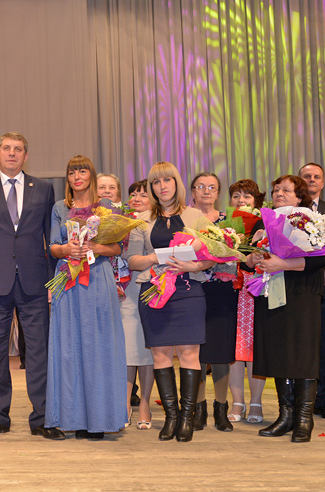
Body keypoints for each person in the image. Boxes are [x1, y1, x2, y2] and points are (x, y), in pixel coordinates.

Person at [0, 131, 62, 439]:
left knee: (39, 352)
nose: (12, 153)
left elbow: (51, 239)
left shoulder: (43, 189)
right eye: (6, 148)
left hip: (35, 282)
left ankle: (43, 417)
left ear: (25, 156)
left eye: (18, 149)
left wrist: (53, 280)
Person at [124, 162, 214, 442]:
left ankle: (186, 418)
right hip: (153, 292)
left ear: (177, 182)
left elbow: (214, 254)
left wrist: (194, 266)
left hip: (188, 291)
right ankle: (171, 417)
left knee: (189, 354)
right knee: (160, 355)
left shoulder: (195, 216)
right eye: (156, 182)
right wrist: (156, 257)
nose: (162, 186)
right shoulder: (141, 220)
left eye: (167, 180)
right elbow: (132, 260)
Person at [46, 155, 128, 439]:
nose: (77, 176)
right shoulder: (60, 207)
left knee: (99, 347)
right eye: (72, 172)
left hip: (97, 280)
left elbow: (117, 248)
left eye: (82, 171)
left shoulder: (106, 206)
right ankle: (74, 418)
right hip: (67, 280)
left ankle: (100, 418)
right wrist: (66, 250)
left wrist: (96, 247)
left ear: (91, 175)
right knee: (69, 347)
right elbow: (52, 246)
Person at [247, 175, 325, 442]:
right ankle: (286, 416)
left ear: (300, 196)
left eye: (286, 190)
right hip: (273, 292)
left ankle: (304, 419)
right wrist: (255, 254)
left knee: (303, 353)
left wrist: (283, 264)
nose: (279, 193)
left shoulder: (309, 219)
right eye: (275, 190)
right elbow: (247, 258)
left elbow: (322, 258)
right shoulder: (264, 220)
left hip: (302, 292)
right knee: (279, 352)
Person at [189, 172, 236, 433]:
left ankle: (221, 409)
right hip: (193, 289)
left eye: (212, 187)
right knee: (194, 352)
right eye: (200, 186)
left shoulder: (230, 221)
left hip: (222, 291)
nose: (206, 191)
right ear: (192, 192)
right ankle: (198, 409)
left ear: (218, 193)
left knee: (220, 352)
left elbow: (239, 254)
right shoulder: (185, 220)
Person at [299, 163, 325, 420]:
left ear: (323, 183)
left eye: (316, 177)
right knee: (299, 345)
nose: (312, 180)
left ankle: (322, 399)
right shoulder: (289, 211)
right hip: (298, 289)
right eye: (307, 176)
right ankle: (296, 399)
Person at [226, 179, 266, 424]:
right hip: (231, 291)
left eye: (247, 196)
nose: (241, 200)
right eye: (236, 196)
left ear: (256, 200)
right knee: (234, 349)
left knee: (254, 349)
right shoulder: (225, 224)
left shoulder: (266, 223)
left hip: (256, 291)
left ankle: (256, 402)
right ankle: (237, 401)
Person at [119, 180, 155, 430]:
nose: (137, 198)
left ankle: (145, 403)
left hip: (151, 287)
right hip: (124, 291)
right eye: (133, 194)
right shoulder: (120, 221)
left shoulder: (157, 223)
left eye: (143, 194)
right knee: (128, 348)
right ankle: (124, 403)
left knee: (148, 349)